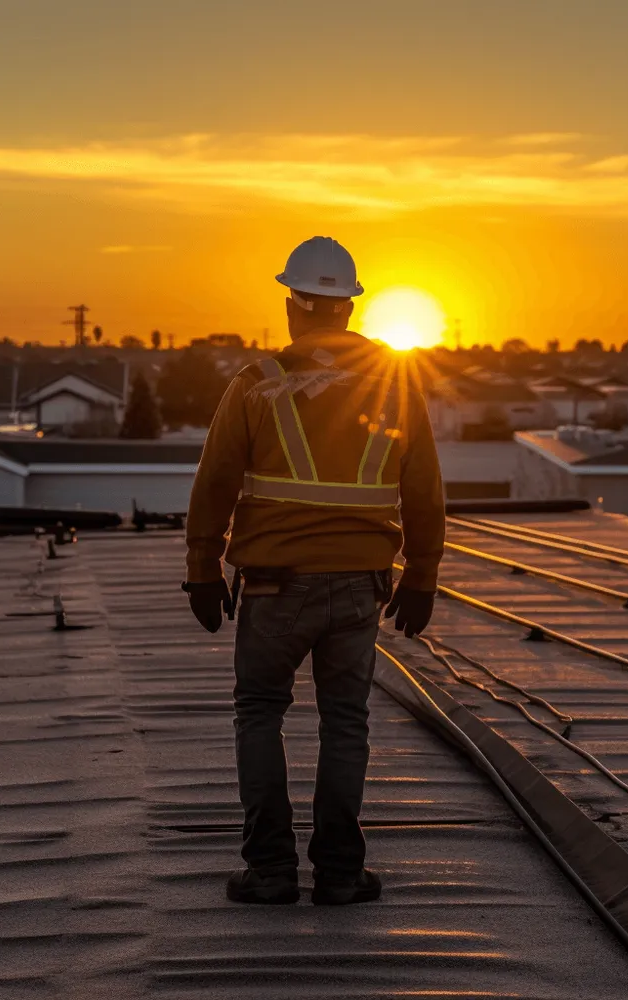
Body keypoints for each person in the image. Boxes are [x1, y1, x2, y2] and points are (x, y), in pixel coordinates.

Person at [183, 236, 445, 906]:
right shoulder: (397, 386)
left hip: (275, 585)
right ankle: (340, 874)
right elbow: (424, 491)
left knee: (259, 714)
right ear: (348, 308)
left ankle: (271, 871)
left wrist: (203, 568)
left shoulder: (257, 383)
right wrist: (421, 576)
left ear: (292, 305)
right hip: (360, 585)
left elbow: (214, 483)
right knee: (346, 722)